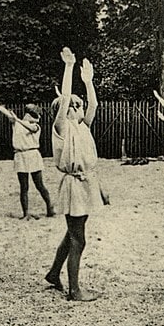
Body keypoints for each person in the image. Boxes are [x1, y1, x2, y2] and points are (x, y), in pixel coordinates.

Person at [45, 47, 104, 302]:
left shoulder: (83, 127)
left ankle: (54, 272)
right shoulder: (61, 128)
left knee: (73, 233)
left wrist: (89, 82)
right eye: (73, 105)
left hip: (86, 183)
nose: (78, 108)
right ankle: (75, 290)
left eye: (79, 106)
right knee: (79, 239)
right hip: (73, 185)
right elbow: (66, 97)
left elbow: (94, 104)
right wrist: (68, 68)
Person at [0, 96, 55, 220]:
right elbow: (7, 113)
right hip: (20, 155)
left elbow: (30, 128)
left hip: (32, 154)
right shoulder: (18, 124)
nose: (28, 116)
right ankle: (26, 213)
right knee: (24, 186)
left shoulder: (35, 126)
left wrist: (17, 119)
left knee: (39, 184)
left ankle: (50, 208)